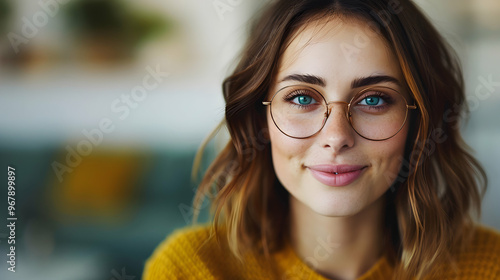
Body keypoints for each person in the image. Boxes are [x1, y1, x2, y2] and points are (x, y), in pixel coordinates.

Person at [143, 0, 500, 279]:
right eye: (302, 98)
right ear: (260, 119)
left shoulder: (488, 266)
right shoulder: (190, 270)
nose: (336, 137)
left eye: (374, 99)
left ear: (418, 120)